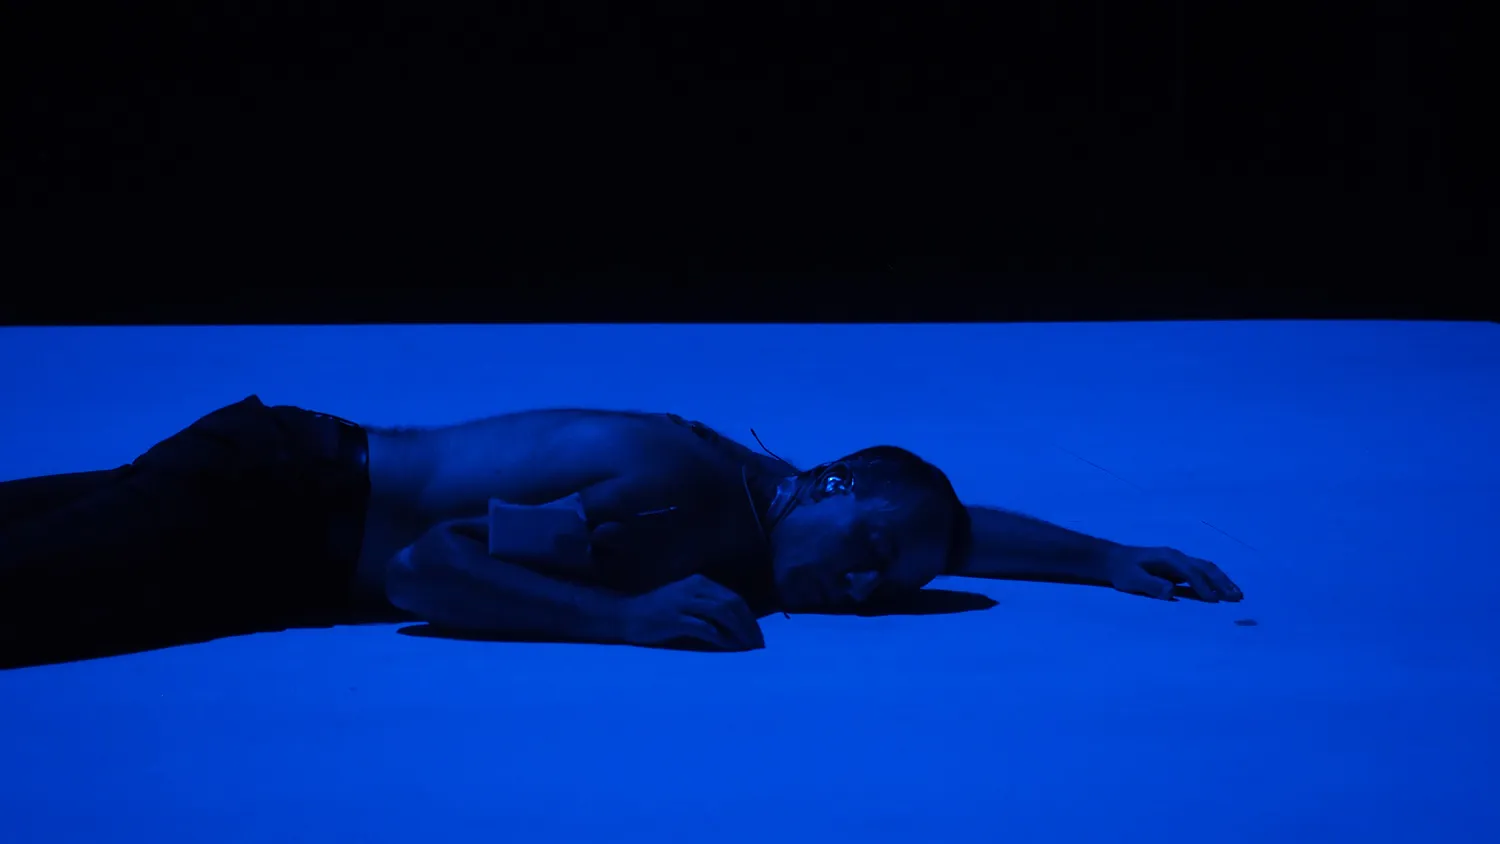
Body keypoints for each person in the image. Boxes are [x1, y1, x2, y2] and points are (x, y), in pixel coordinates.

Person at [0, 395, 1242, 660]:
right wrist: (626, 618)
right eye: (868, 554)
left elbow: (949, 533)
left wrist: (1100, 557)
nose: (865, 589)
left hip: (273, 499)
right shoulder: (683, 499)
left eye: (887, 588)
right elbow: (434, 570)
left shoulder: (785, 504)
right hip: (266, 507)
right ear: (824, 482)